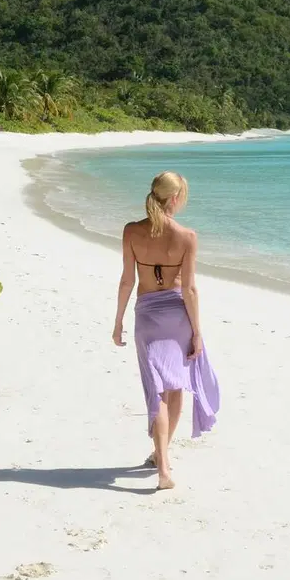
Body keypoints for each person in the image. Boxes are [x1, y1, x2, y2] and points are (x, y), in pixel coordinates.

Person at [113, 171, 220, 490]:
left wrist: (118, 321)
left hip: (147, 317)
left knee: (156, 391)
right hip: (178, 318)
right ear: (174, 198)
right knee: (175, 389)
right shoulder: (187, 236)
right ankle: (163, 460)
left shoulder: (131, 231)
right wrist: (197, 331)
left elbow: (127, 280)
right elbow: (189, 290)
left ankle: (162, 464)